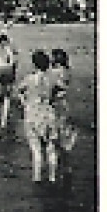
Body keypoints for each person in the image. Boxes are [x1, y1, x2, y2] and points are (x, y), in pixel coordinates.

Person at [18, 50, 62, 182]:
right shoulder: (53, 78)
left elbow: (20, 91)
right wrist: (53, 99)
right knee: (51, 149)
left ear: (34, 64)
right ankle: (52, 177)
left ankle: (37, 178)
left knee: (36, 150)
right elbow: (62, 90)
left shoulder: (29, 79)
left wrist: (25, 102)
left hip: (32, 114)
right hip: (48, 114)